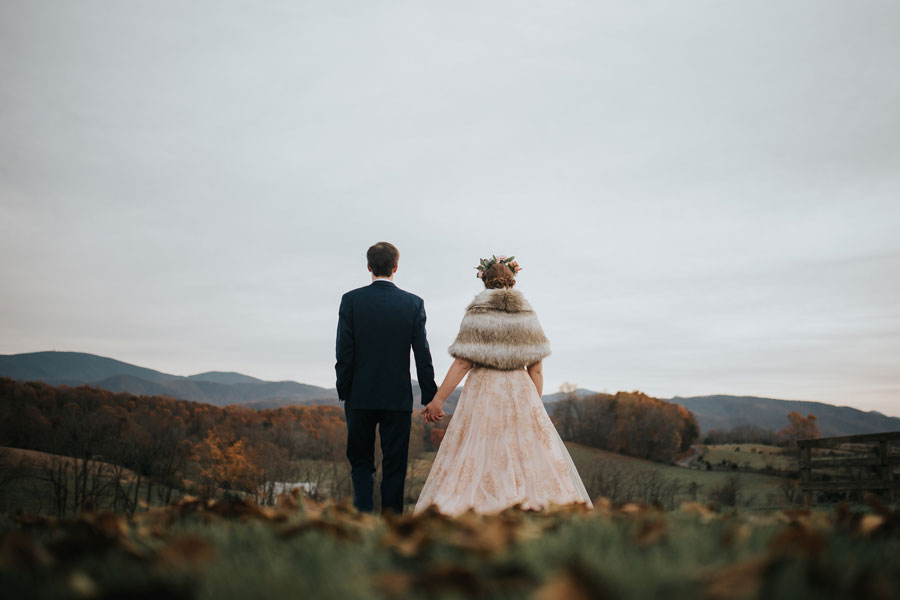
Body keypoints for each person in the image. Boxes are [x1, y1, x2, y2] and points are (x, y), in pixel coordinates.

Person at [414, 255, 593, 515]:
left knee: (479, 450)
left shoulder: (477, 313)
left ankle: (481, 508)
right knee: (525, 452)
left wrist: (438, 400)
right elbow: (537, 368)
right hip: (520, 388)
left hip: (484, 389)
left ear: (484, 282)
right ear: (512, 281)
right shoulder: (527, 314)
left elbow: (462, 363)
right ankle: (528, 506)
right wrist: (534, 404)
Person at [335, 241, 438, 515]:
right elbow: (422, 355)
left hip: (359, 395)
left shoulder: (351, 300)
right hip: (397, 398)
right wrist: (430, 396)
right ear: (395, 267)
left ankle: (362, 522)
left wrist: (345, 390)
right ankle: (392, 526)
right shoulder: (413, 304)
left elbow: (344, 351)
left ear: (369, 266)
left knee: (360, 463)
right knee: (395, 466)